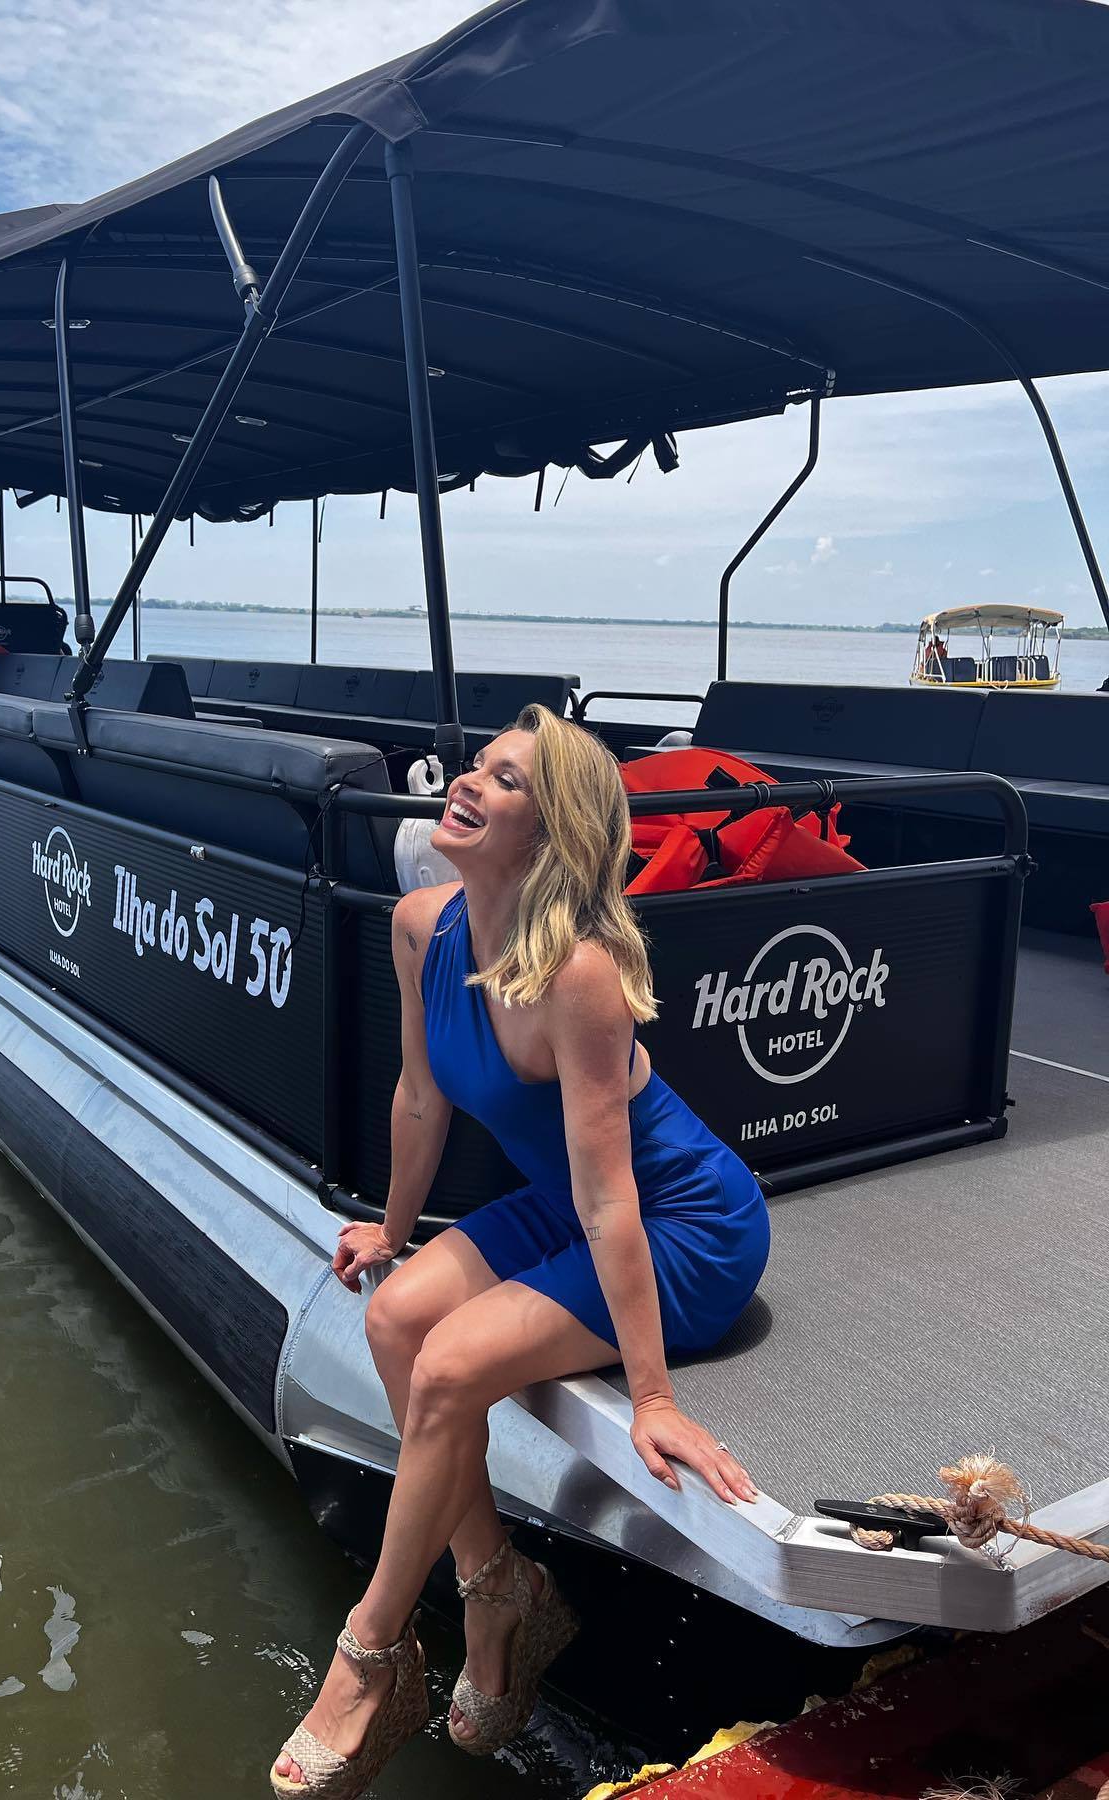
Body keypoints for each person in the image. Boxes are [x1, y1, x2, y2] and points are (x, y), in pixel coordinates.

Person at [270, 705, 771, 1798]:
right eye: (479, 765)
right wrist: (393, 1230)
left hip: (685, 1223)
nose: (468, 782)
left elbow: (613, 1194)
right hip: (569, 1203)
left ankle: (371, 1655)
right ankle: (499, 1585)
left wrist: (652, 1396)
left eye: (507, 782)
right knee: (395, 1317)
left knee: (450, 1364)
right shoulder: (422, 925)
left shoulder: (579, 975)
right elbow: (419, 1096)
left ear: (551, 836)